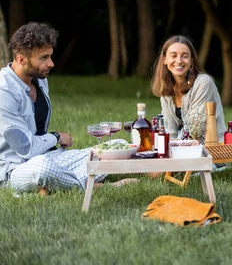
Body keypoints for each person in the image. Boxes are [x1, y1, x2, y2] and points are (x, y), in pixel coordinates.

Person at [0, 22, 135, 194]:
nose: (51, 63)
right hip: (15, 169)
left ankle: (54, 185)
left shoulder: (40, 78)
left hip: (49, 156)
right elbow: (25, 148)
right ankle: (94, 186)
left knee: (117, 146)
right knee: (43, 169)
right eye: (43, 58)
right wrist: (56, 137)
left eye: (50, 56)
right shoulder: (3, 91)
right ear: (21, 59)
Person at [151, 35, 226, 144]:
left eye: (184, 56)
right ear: (165, 60)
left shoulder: (203, 82)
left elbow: (194, 129)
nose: (179, 60)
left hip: (209, 150)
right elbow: (169, 130)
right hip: (182, 148)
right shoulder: (166, 89)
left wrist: (175, 146)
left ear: (191, 61)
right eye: (174, 55)